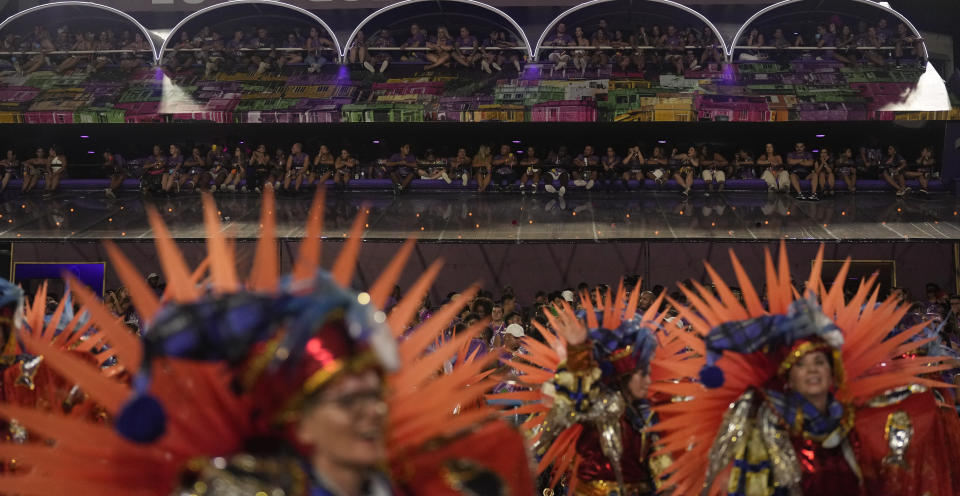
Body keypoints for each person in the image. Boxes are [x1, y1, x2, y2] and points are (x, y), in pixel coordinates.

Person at [0, 195, 535, 496]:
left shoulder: (436, 480)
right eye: (348, 401)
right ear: (297, 423)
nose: (374, 411)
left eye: (375, 394)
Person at [656, 245, 960, 496]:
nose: (812, 371)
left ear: (833, 371)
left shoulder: (851, 417)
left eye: (819, 362)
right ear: (788, 376)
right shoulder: (766, 419)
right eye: (801, 365)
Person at [513, 283, 672, 495]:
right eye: (640, 374)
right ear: (622, 378)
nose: (647, 380)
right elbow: (567, 405)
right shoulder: (597, 405)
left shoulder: (646, 413)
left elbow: (661, 470)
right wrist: (578, 351)